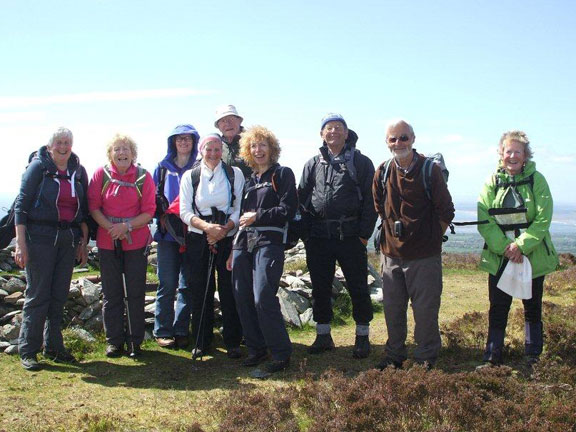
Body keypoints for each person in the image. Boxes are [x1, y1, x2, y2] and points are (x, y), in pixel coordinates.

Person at [372, 119, 454, 370]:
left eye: (403, 138)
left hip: (424, 256)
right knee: (392, 308)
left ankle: (425, 356)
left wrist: (428, 238)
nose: (399, 143)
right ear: (387, 143)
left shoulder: (430, 171)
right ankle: (394, 355)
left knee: (425, 310)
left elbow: (446, 210)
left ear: (413, 139)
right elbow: (378, 206)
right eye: (393, 139)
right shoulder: (383, 171)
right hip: (391, 255)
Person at [298, 113, 377, 359]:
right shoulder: (313, 163)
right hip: (319, 237)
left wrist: (364, 235)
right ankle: (323, 335)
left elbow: (371, 201)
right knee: (320, 287)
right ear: (322, 134)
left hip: (351, 236)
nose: (333, 131)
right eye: (328, 128)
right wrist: (306, 234)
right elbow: (301, 199)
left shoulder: (361, 162)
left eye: (338, 127)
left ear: (346, 133)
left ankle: (362, 336)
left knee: (358, 287)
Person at [477, 130, 558, 368]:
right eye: (508, 151)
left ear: (525, 155)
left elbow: (543, 218)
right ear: (501, 154)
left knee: (532, 305)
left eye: (517, 151)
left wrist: (521, 246)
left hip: (531, 255)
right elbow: (484, 218)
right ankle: (492, 356)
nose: (512, 156)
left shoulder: (538, 180)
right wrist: (505, 248)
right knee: (498, 306)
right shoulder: (492, 181)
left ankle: (533, 356)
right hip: (500, 256)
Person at [15, 127, 89, 371]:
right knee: (38, 294)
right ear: (50, 146)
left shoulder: (78, 172)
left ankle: (54, 347)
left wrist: (83, 242)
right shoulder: (38, 168)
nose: (63, 146)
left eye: (67, 142)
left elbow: (83, 212)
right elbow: (21, 209)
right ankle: (28, 350)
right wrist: (21, 245)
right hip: (40, 238)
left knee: (58, 295)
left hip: (67, 239)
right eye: (59, 142)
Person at [230, 125, 297, 376]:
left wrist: (258, 216)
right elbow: (239, 218)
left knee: (263, 295)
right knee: (242, 295)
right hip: (242, 242)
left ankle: (280, 353)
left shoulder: (282, 175)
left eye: (263, 145)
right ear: (248, 150)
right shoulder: (249, 181)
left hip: (269, 241)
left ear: (272, 148)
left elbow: (288, 209)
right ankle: (257, 349)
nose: (258, 150)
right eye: (253, 146)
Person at [88, 134, 155, 358]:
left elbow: (149, 211)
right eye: (117, 149)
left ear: (133, 153)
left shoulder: (144, 177)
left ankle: (135, 341)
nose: (121, 153)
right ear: (111, 154)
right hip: (108, 242)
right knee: (112, 293)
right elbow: (94, 206)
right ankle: (114, 342)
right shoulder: (101, 175)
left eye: (125, 148)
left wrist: (125, 227)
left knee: (135, 293)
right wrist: (111, 228)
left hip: (135, 242)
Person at [179, 134, 244, 359]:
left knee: (229, 290)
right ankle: (201, 340)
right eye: (209, 149)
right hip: (199, 238)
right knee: (201, 289)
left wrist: (223, 229)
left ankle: (233, 341)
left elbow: (238, 207)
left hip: (227, 236)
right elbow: (185, 211)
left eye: (217, 149)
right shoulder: (191, 176)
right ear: (201, 150)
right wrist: (208, 228)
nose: (214, 153)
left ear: (223, 151)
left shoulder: (235, 174)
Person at [153, 124, 199, 349]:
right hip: (167, 234)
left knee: (187, 284)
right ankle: (163, 330)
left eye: (187, 138)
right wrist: (161, 216)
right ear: (172, 142)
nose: (183, 142)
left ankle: (181, 329)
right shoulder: (162, 168)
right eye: (179, 138)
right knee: (167, 283)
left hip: (193, 233)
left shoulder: (200, 166)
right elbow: (152, 197)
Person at [214, 104, 252, 179]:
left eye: (231, 119)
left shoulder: (253, 141)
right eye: (223, 121)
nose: (227, 124)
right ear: (218, 126)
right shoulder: (215, 146)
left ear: (239, 121)